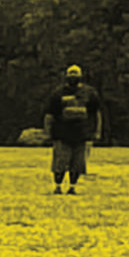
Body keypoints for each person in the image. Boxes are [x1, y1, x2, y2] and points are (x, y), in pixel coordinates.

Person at [44, 65, 102, 195]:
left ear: (81, 76)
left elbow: (96, 113)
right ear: (66, 76)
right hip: (61, 134)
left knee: (77, 164)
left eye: (75, 74)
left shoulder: (90, 93)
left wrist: (97, 131)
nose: (73, 77)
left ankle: (72, 187)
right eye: (71, 74)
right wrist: (47, 132)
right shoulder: (58, 93)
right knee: (60, 163)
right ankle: (58, 186)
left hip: (82, 134)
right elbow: (50, 114)